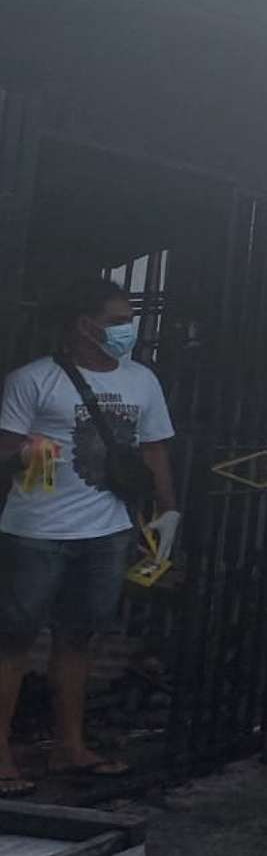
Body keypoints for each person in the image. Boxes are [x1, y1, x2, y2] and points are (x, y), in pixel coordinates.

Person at [0, 279, 177, 794]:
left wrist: (169, 512)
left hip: (107, 532)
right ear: (85, 325)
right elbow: (5, 447)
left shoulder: (143, 381)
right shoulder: (33, 381)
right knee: (13, 642)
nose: (128, 330)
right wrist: (29, 453)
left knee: (79, 640)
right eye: (119, 320)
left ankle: (70, 748)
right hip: (36, 530)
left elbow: (156, 449)